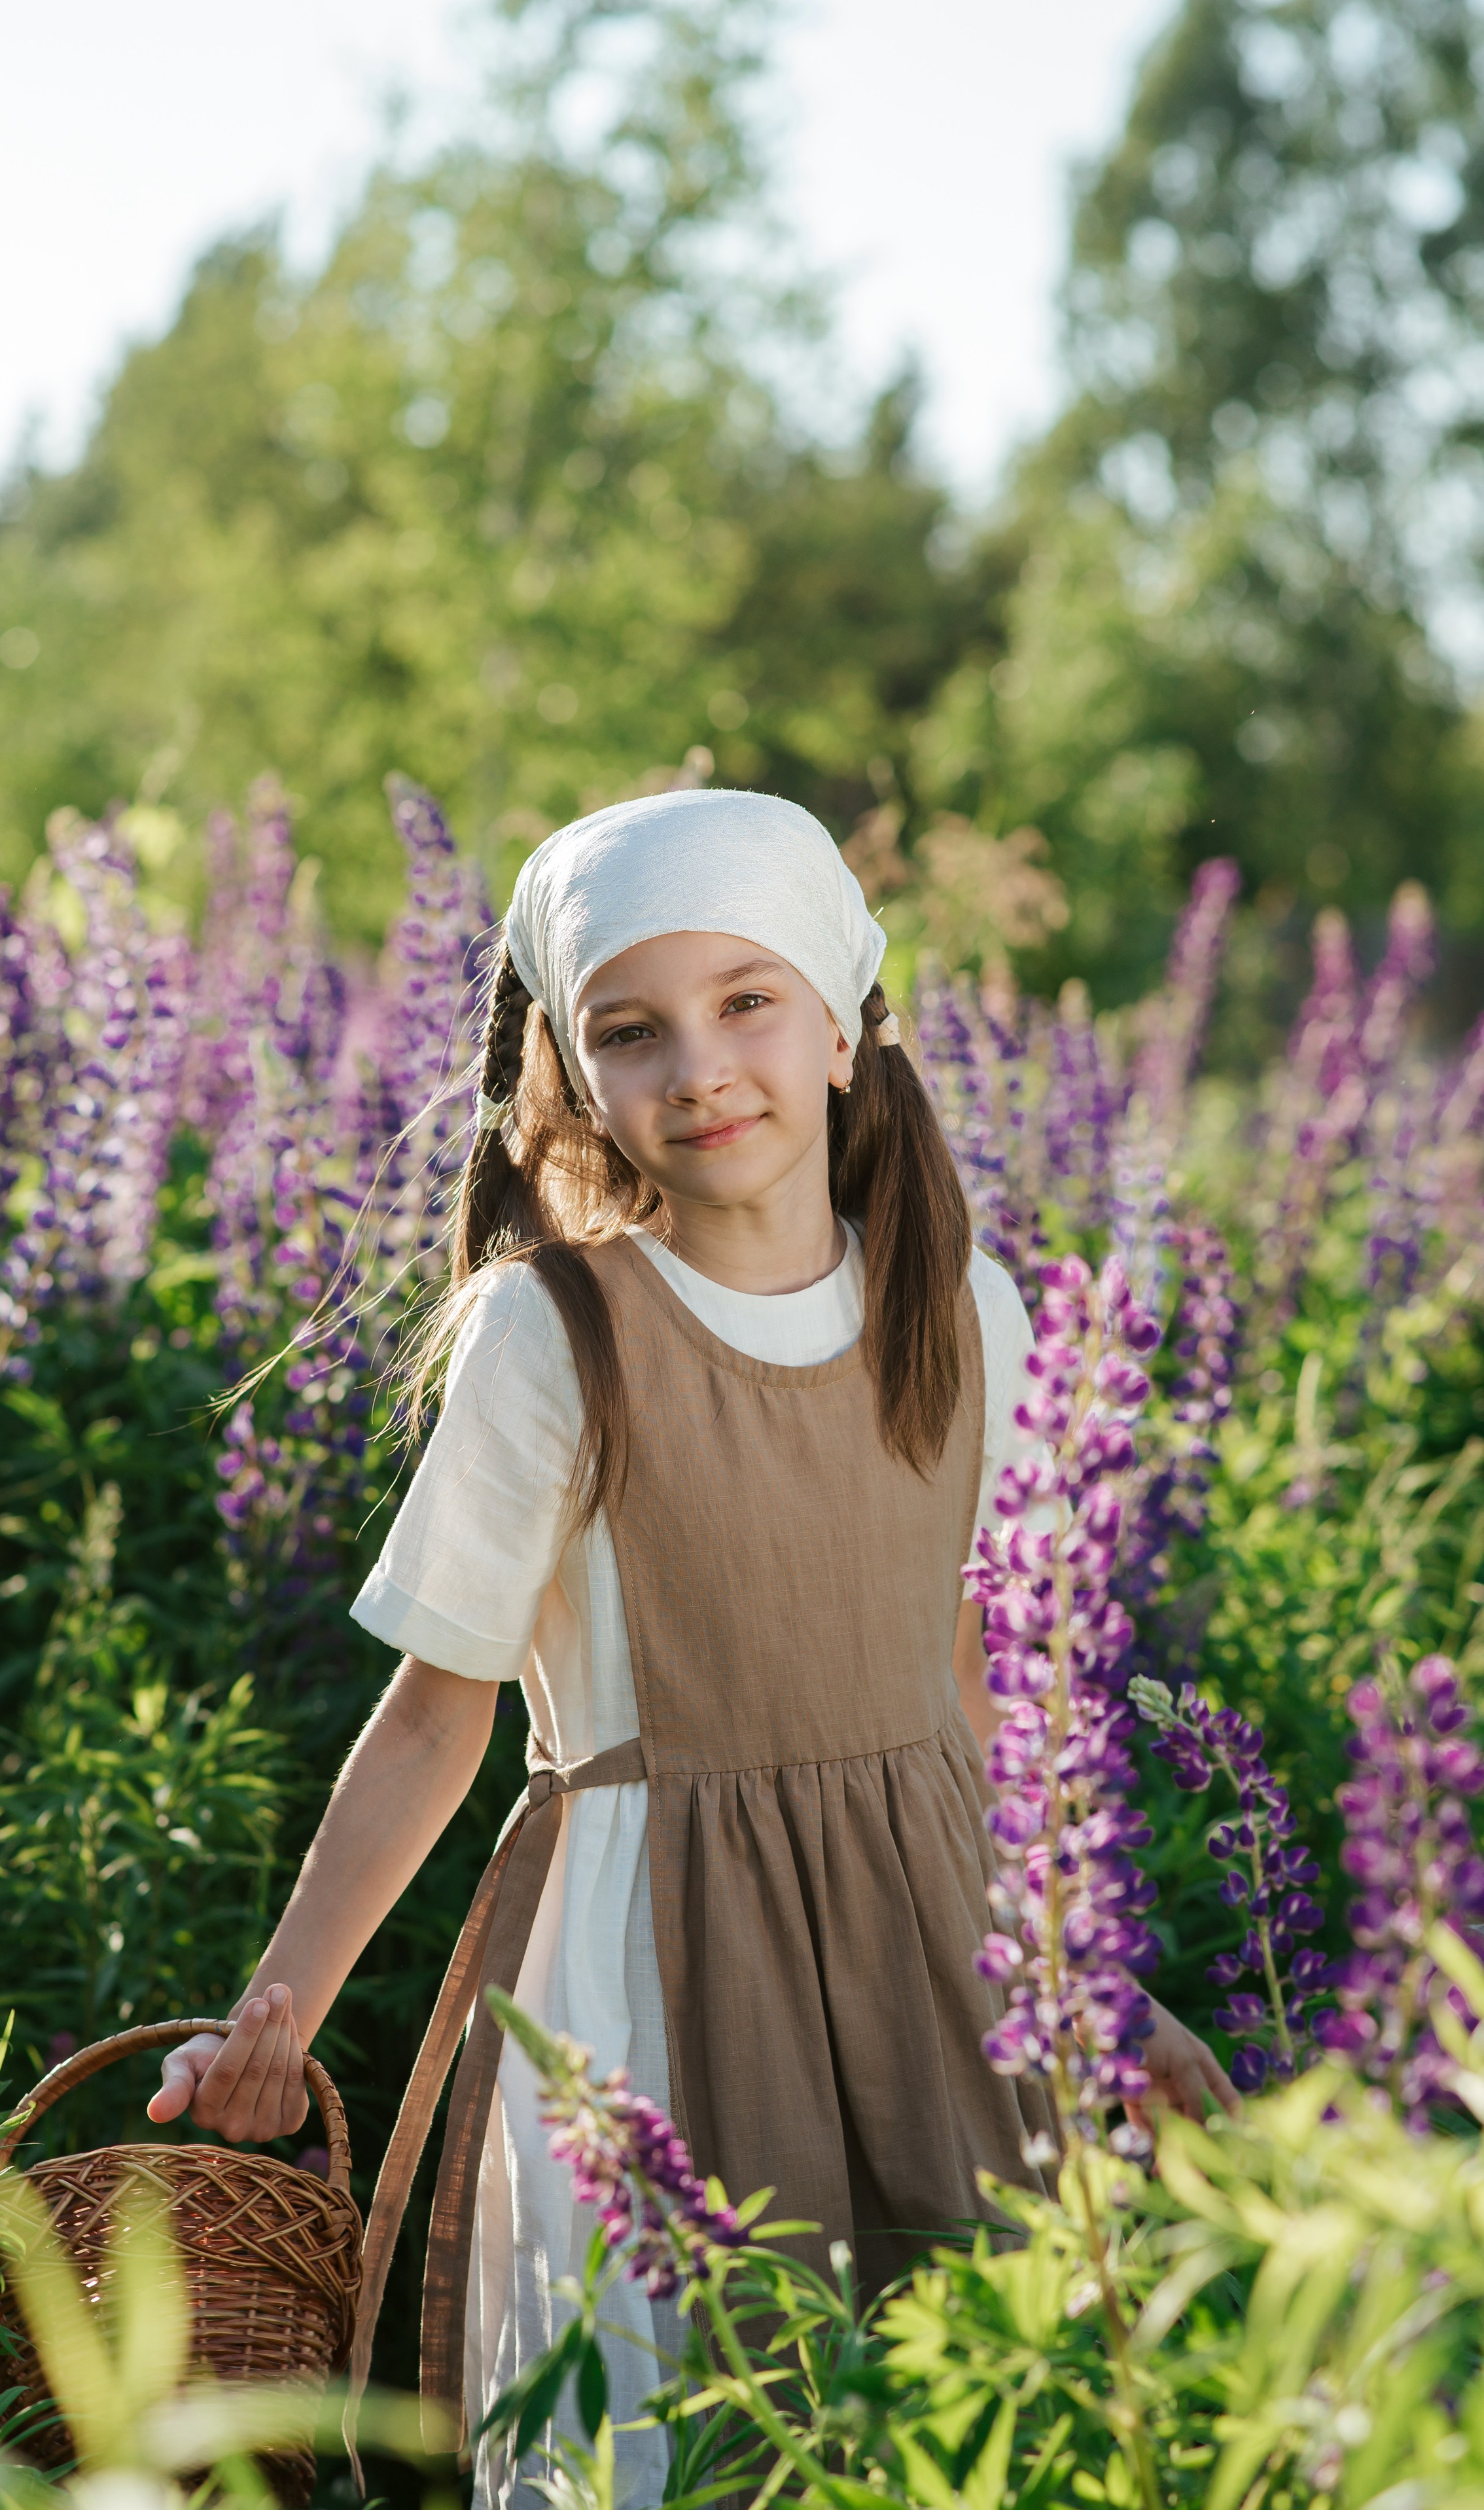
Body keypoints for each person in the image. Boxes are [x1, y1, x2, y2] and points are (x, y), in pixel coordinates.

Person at [148, 787, 1232, 2508]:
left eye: (747, 1000)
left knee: (965, 2412)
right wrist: (274, 2011)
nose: (701, 1066)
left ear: (843, 1028)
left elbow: (970, 1689)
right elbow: (437, 1721)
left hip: (940, 1958)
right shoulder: (552, 1330)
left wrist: (1111, 1995)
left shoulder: (970, 1315)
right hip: (651, 1971)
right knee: (688, 2420)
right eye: (632, 1031)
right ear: (575, 1079)